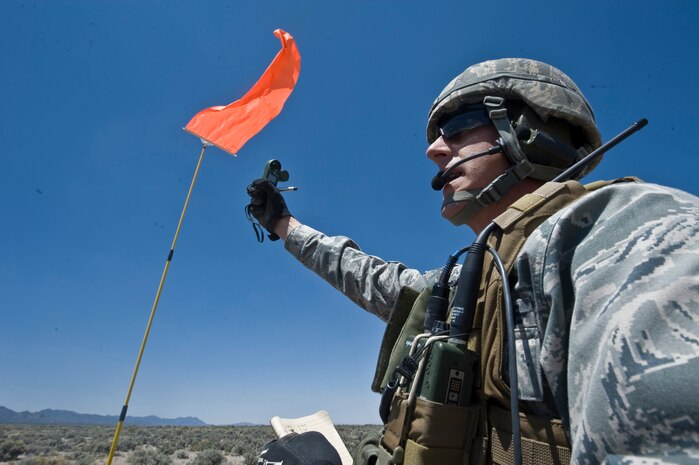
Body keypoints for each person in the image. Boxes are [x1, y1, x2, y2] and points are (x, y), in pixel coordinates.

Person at [247, 58, 699, 465]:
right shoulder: (468, 278)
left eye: (460, 127)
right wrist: (286, 225)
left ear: (528, 132)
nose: (435, 150)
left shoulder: (626, 230)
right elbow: (374, 279)